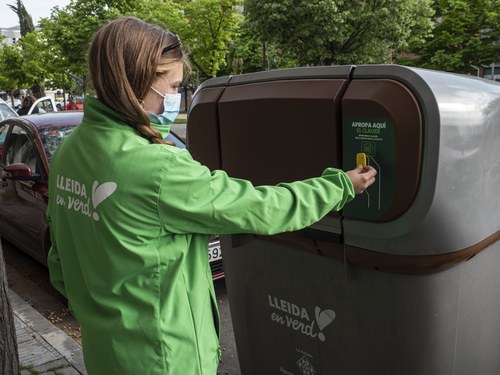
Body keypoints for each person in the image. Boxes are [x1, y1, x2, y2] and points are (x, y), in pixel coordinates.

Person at [46, 17, 376, 375]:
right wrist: (341, 185)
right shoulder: (156, 167)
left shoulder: (69, 151)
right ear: (138, 81)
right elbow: (262, 209)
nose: (175, 97)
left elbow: (59, 262)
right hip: (165, 358)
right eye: (172, 86)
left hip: (106, 352)